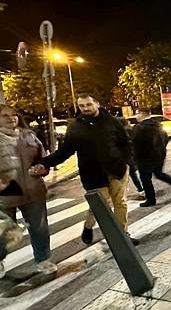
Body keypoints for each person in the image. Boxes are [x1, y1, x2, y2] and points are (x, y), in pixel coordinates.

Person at [30, 94, 139, 246]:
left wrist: (127, 161)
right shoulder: (76, 126)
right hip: (92, 173)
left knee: (120, 203)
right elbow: (65, 151)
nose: (86, 108)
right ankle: (88, 227)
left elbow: (126, 143)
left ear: (97, 104)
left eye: (89, 104)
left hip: (117, 169)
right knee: (100, 205)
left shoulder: (112, 121)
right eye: (82, 106)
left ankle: (123, 235)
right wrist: (45, 163)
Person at [0, 104, 57, 278]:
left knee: (39, 228)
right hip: (5, 192)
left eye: (14, 115)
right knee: (3, 231)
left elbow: (43, 160)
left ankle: (43, 260)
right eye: (5, 116)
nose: (11, 118)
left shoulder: (29, 136)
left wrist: (43, 169)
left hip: (33, 190)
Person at [132, 109, 171, 207]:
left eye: (137, 114)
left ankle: (151, 199)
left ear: (142, 114)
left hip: (144, 158)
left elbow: (136, 145)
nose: (136, 116)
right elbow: (165, 138)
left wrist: (135, 158)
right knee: (159, 174)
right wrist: (161, 150)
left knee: (146, 179)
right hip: (159, 156)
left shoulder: (139, 128)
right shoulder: (158, 125)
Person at [116, 116, 144, 198]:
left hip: (124, 157)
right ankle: (141, 189)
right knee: (133, 174)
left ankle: (139, 189)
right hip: (132, 155)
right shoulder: (131, 129)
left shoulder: (121, 132)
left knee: (124, 175)